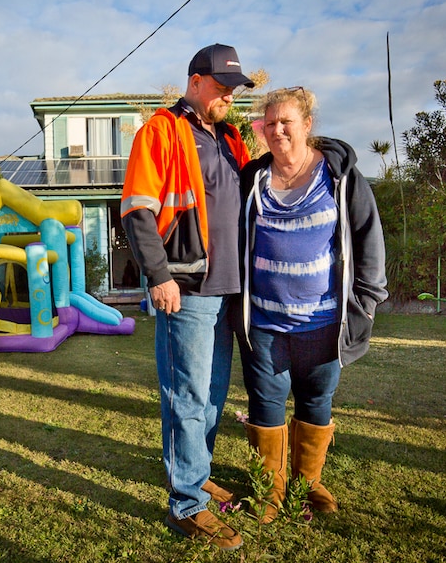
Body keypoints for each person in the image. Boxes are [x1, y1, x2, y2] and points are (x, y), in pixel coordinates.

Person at [121, 43, 254, 551]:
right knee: (187, 395)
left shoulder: (227, 136)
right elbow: (137, 209)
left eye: (233, 90)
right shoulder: (161, 131)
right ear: (195, 82)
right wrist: (159, 277)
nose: (228, 97)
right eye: (221, 88)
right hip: (185, 288)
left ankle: (195, 477)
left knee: (213, 395)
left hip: (228, 288)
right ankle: (187, 504)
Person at [236, 87, 388, 522]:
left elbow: (368, 238)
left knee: (315, 402)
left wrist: (368, 300)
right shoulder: (252, 179)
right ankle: (269, 490)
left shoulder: (339, 177)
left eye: (287, 121)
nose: (279, 129)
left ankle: (307, 485)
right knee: (266, 403)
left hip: (323, 323)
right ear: (262, 130)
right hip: (264, 321)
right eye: (271, 122)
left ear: (307, 125)